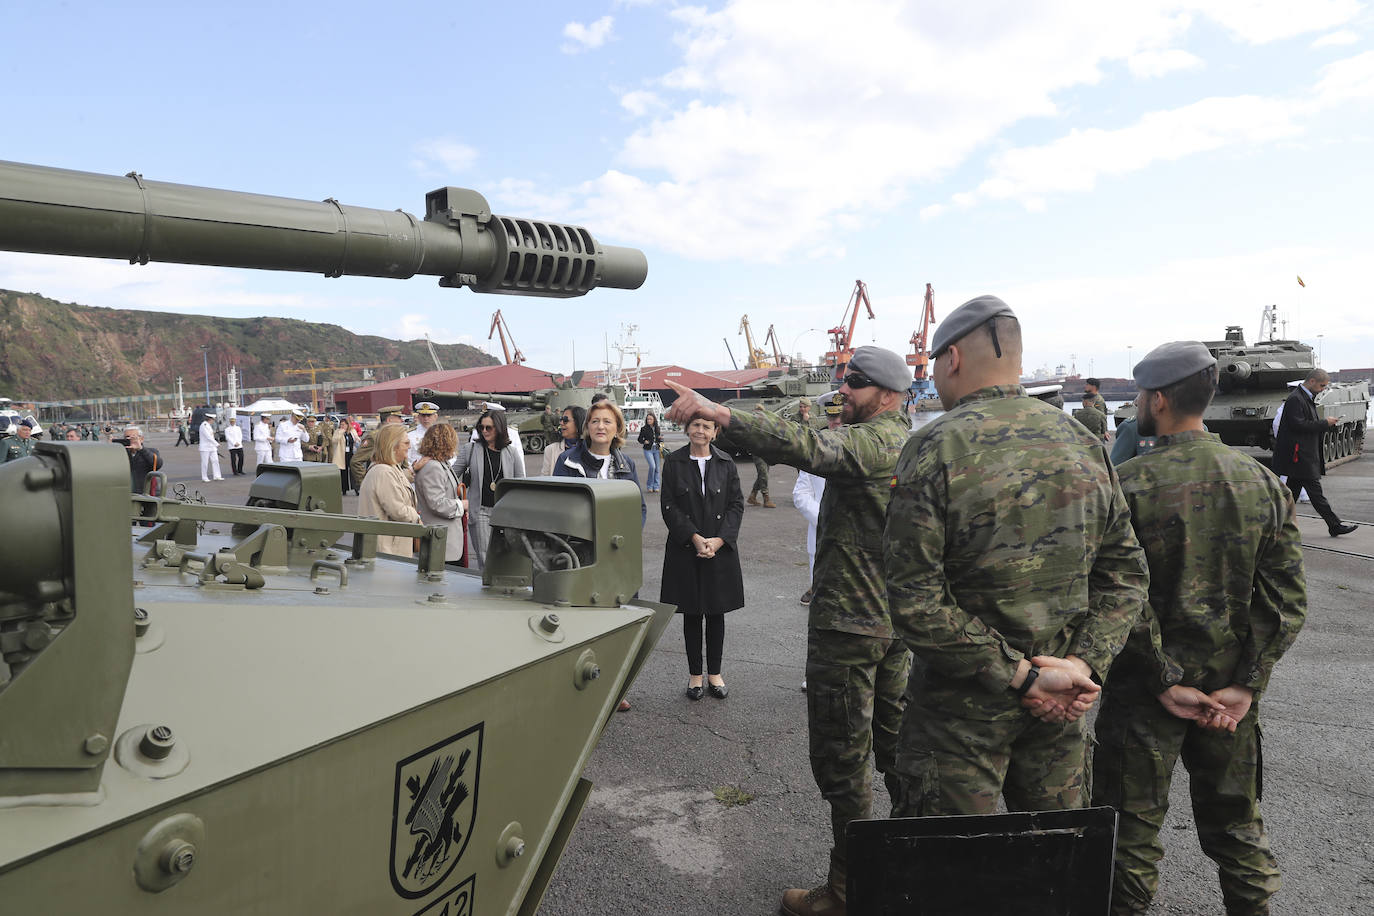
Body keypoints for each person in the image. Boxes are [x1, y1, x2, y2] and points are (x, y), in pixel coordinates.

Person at [665, 346, 914, 916]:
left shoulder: (876, 441)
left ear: (890, 395)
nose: (844, 389)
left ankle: (849, 890)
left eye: (857, 382)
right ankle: (908, 870)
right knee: (897, 751)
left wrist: (720, 412)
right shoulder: (906, 438)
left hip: (852, 629)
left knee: (844, 760)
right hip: (891, 623)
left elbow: (807, 446)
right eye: (845, 379)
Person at [883, 296, 1148, 825]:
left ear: (953, 358)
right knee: (1055, 858)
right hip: (1063, 703)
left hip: (958, 721)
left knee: (950, 862)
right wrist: (1080, 665)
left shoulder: (935, 445)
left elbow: (914, 601)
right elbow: (1125, 576)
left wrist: (1022, 677)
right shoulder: (1083, 442)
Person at [1094, 340, 1307, 916]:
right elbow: (1285, 600)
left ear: (1158, 399)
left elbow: (1116, 595)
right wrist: (1246, 685)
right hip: (1228, 697)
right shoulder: (1262, 483)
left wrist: (1162, 678)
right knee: (1238, 826)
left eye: (1142, 393)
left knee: (1127, 837)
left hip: (1142, 695)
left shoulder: (1126, 484)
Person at [660, 415, 745, 700]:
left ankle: (715, 674)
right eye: (695, 425)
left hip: (718, 549)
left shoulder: (726, 463)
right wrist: (694, 537)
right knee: (692, 614)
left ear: (715, 432)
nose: (700, 430)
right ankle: (695, 675)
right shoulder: (674, 462)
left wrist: (719, 541)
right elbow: (668, 505)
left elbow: (736, 505)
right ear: (687, 429)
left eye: (706, 426)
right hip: (686, 548)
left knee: (716, 612)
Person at [1272, 368, 1356, 536]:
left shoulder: (1302, 397)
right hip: (1300, 456)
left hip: (1300, 455)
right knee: (1316, 495)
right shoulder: (1296, 399)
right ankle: (1335, 525)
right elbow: (1298, 425)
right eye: (1322, 385)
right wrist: (1325, 423)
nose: (1323, 389)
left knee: (1290, 496)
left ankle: (1275, 525)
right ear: (1312, 381)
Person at [453, 409, 528, 570]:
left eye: (489, 428)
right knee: (486, 559)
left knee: (507, 559)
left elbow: (520, 484)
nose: (484, 431)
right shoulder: (471, 449)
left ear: (499, 428)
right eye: (481, 427)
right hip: (481, 511)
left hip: (505, 513)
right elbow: (452, 475)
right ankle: (486, 585)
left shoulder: (511, 452)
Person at [553, 399, 646, 524]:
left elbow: (638, 508)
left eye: (607, 421)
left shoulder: (627, 464)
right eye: (595, 421)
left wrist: (630, 532)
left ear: (617, 429)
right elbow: (558, 507)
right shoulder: (567, 461)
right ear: (587, 427)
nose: (600, 426)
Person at [793, 392, 843, 606]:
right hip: (822, 532)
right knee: (823, 602)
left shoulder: (865, 448)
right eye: (831, 417)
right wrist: (823, 518)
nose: (836, 422)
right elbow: (801, 493)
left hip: (857, 538)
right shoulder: (817, 450)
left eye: (840, 416)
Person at [357, 423, 422, 556]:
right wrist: (417, 518)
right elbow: (398, 511)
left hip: (390, 546)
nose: (409, 446)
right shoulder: (383, 472)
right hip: (388, 549)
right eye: (406, 443)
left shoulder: (389, 468)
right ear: (393, 446)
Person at [413, 423, 466, 564]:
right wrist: (462, 505)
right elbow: (436, 503)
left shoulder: (440, 464)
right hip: (440, 542)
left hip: (445, 541)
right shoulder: (433, 467)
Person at [350, 406, 405, 489]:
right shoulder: (375, 437)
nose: (402, 421)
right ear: (389, 420)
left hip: (397, 484)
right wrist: (366, 484)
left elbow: (403, 463)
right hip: (382, 485)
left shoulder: (397, 436)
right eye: (399, 418)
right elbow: (356, 461)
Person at [111, 425, 162, 493]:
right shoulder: (121, 453)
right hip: (127, 493)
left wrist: (141, 449)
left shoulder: (151, 451)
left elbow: (158, 465)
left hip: (147, 493)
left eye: (133, 437)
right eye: (127, 437)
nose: (130, 439)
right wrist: (111, 447)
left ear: (141, 439)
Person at [541, 405, 585, 475]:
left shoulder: (590, 449)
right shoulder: (550, 450)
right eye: (561, 419)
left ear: (578, 423)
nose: (561, 423)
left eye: (565, 420)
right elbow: (544, 477)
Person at [637, 411, 664, 492]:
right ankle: (649, 486)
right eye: (648, 419)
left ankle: (656, 486)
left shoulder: (657, 428)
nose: (649, 420)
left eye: (650, 419)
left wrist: (660, 438)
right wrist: (644, 441)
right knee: (652, 466)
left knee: (657, 469)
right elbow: (639, 439)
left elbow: (658, 439)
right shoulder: (644, 429)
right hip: (648, 450)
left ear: (654, 420)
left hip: (656, 449)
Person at [198, 414, 224, 482]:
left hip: (212, 447)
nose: (213, 421)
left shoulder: (208, 425)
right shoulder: (204, 425)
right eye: (213, 419)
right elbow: (208, 437)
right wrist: (216, 444)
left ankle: (217, 476)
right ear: (210, 419)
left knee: (215, 461)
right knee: (205, 463)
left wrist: (215, 445)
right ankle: (204, 477)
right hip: (205, 447)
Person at [329, 416, 348, 493]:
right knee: (341, 471)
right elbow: (334, 440)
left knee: (348, 471)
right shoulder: (338, 431)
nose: (342, 426)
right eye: (341, 424)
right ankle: (342, 489)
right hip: (341, 454)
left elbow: (355, 438)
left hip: (349, 453)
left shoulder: (350, 431)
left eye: (344, 424)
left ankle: (349, 488)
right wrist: (340, 432)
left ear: (347, 425)